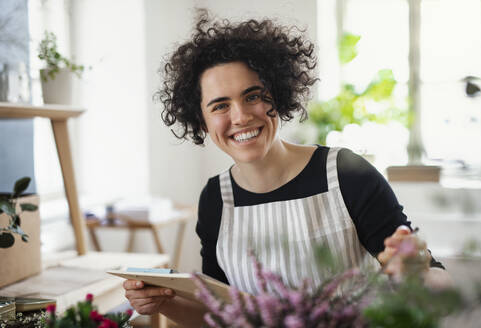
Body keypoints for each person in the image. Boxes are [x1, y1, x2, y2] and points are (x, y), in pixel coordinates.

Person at [123, 11, 452, 327]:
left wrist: (415, 269)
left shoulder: (346, 174)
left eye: (253, 96)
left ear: (277, 96)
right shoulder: (215, 199)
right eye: (220, 105)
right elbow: (221, 315)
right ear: (201, 120)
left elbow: (439, 285)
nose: (240, 116)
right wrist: (163, 301)